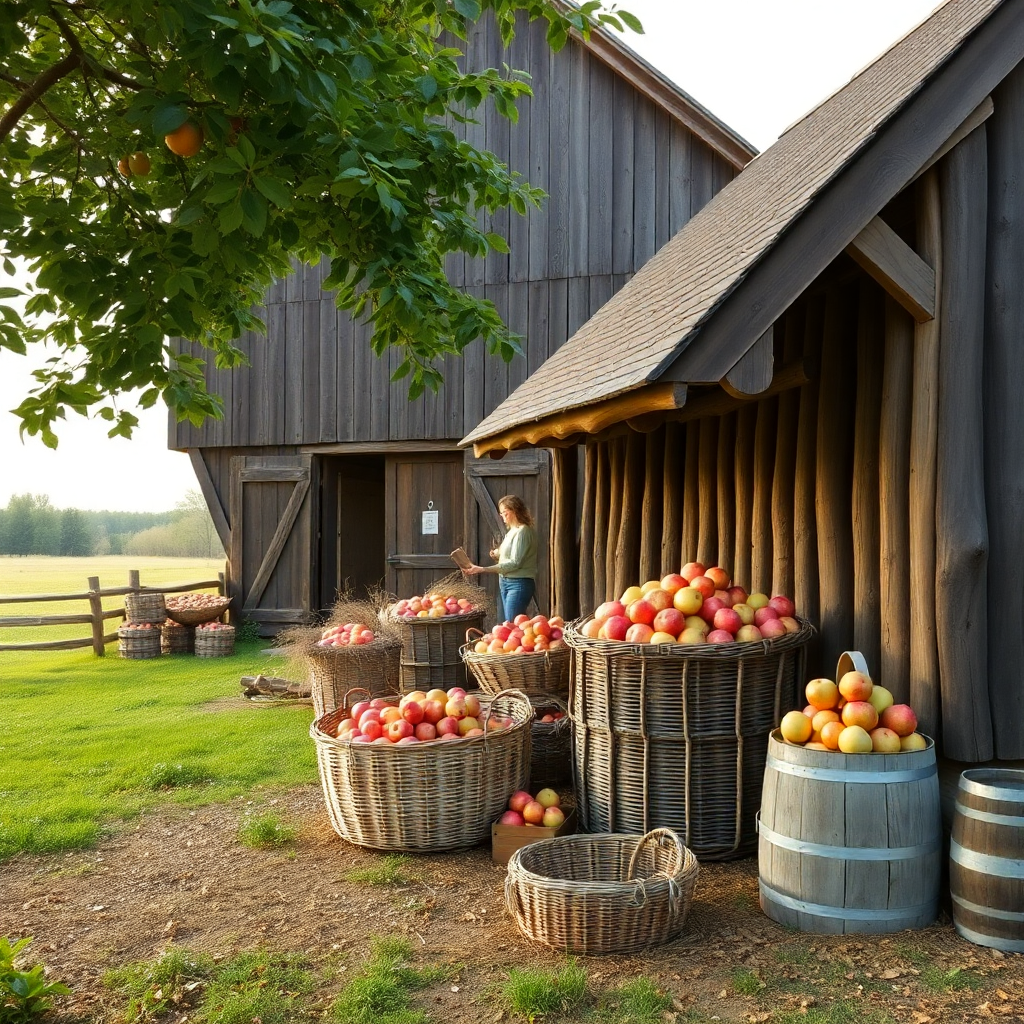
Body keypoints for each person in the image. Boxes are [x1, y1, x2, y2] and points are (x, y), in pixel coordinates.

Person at [464, 494, 538, 622]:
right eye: (501, 513)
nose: (501, 515)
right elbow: (509, 552)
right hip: (504, 582)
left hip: (518, 583)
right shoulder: (512, 531)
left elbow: (515, 563)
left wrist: (482, 569)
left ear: (514, 511)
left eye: (504, 512)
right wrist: (497, 553)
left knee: (512, 625)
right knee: (506, 625)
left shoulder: (523, 531)